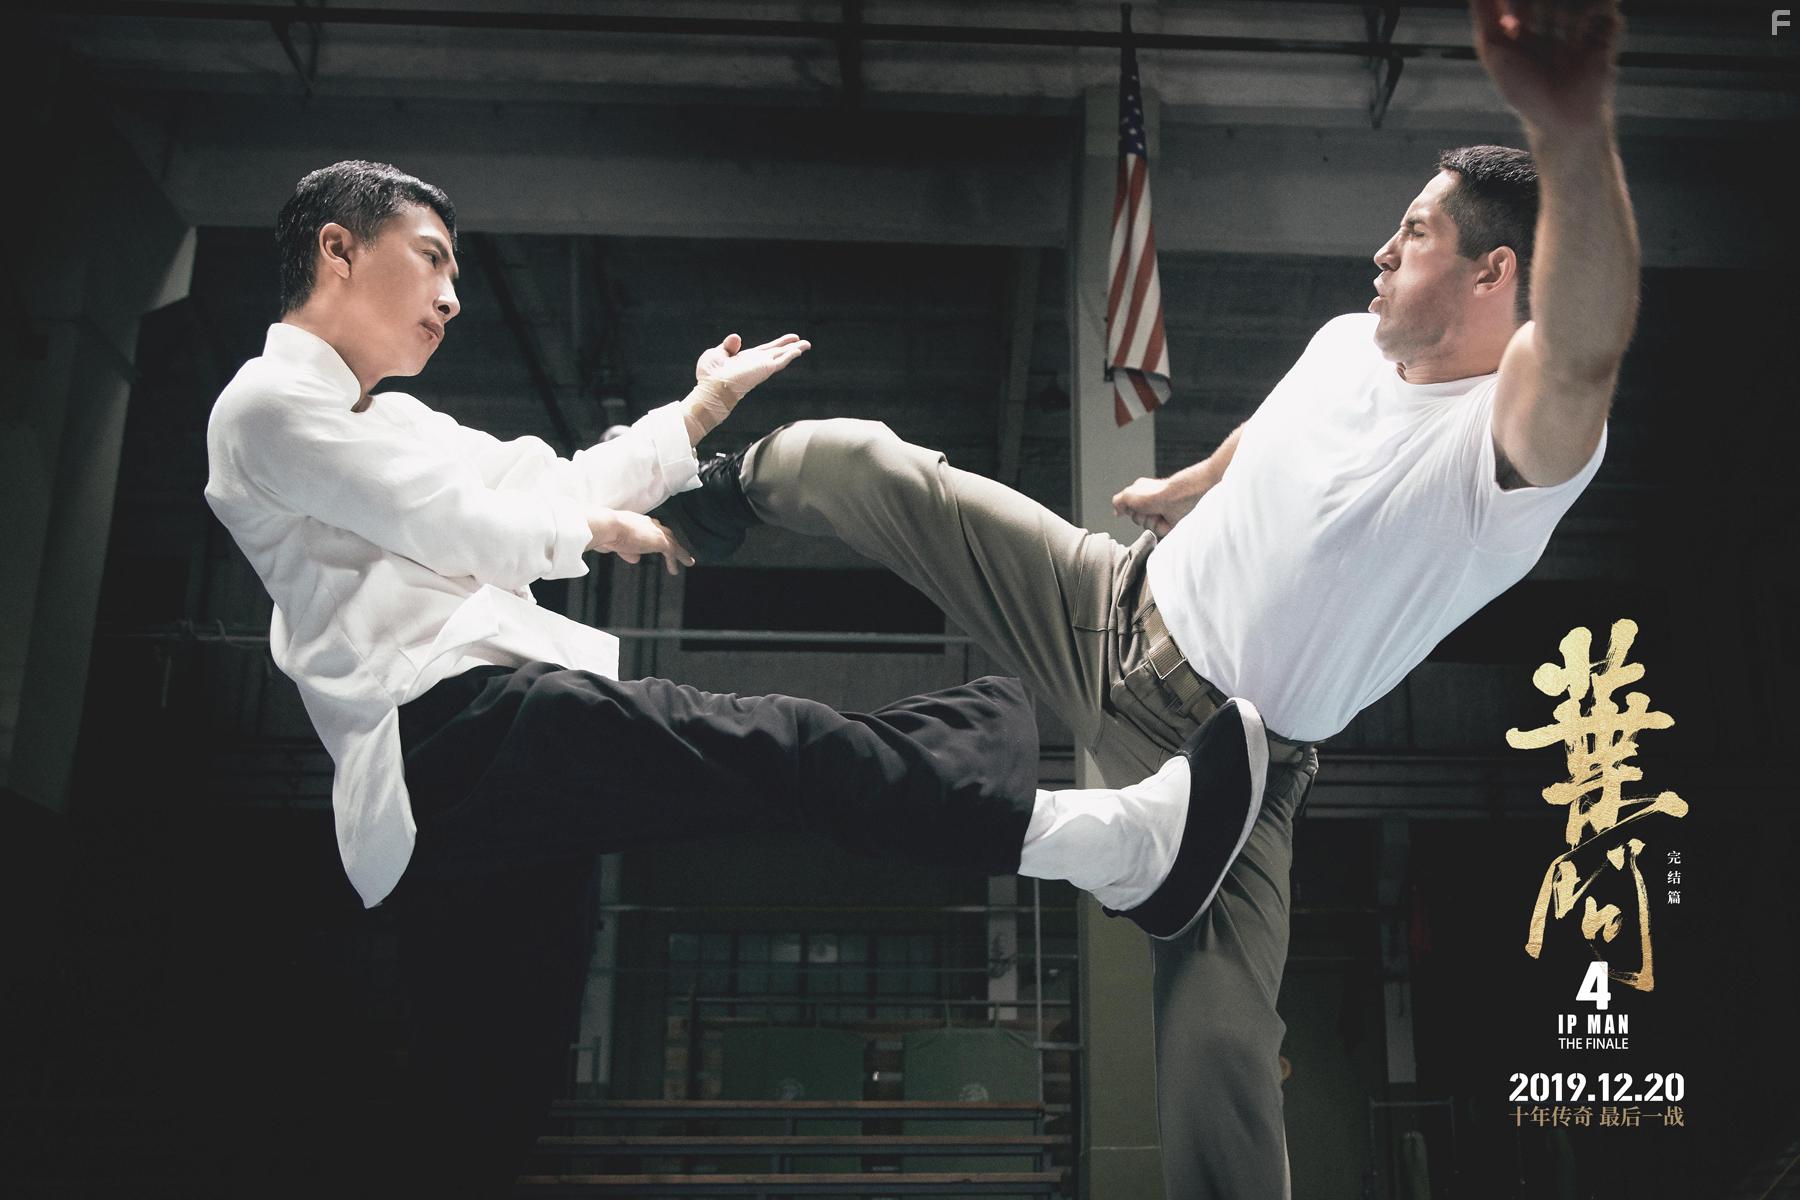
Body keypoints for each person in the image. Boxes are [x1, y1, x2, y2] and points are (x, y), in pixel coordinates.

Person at [652, 1, 1638, 1193]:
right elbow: (1271, 431)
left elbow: (1582, 347)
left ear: (1495, 273)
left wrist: (1572, 131)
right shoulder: (1345, 341)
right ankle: (682, 506)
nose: (1382, 252)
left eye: (1415, 234)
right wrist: (1195, 479)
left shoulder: (1507, 456)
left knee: (1220, 1076)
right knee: (851, 460)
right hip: (1108, 601)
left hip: (1232, 771)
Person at [202, 160, 1277, 1195]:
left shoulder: (396, 421)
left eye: (455, 275)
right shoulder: (260, 408)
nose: (450, 297)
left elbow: (549, 480)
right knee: (774, 745)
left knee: (481, 1112)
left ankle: (1087, 831)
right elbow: (464, 523)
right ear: (337, 250)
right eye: (430, 261)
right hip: (455, 730)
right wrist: (589, 528)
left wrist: (694, 414)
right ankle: (1108, 846)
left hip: (481, 787)